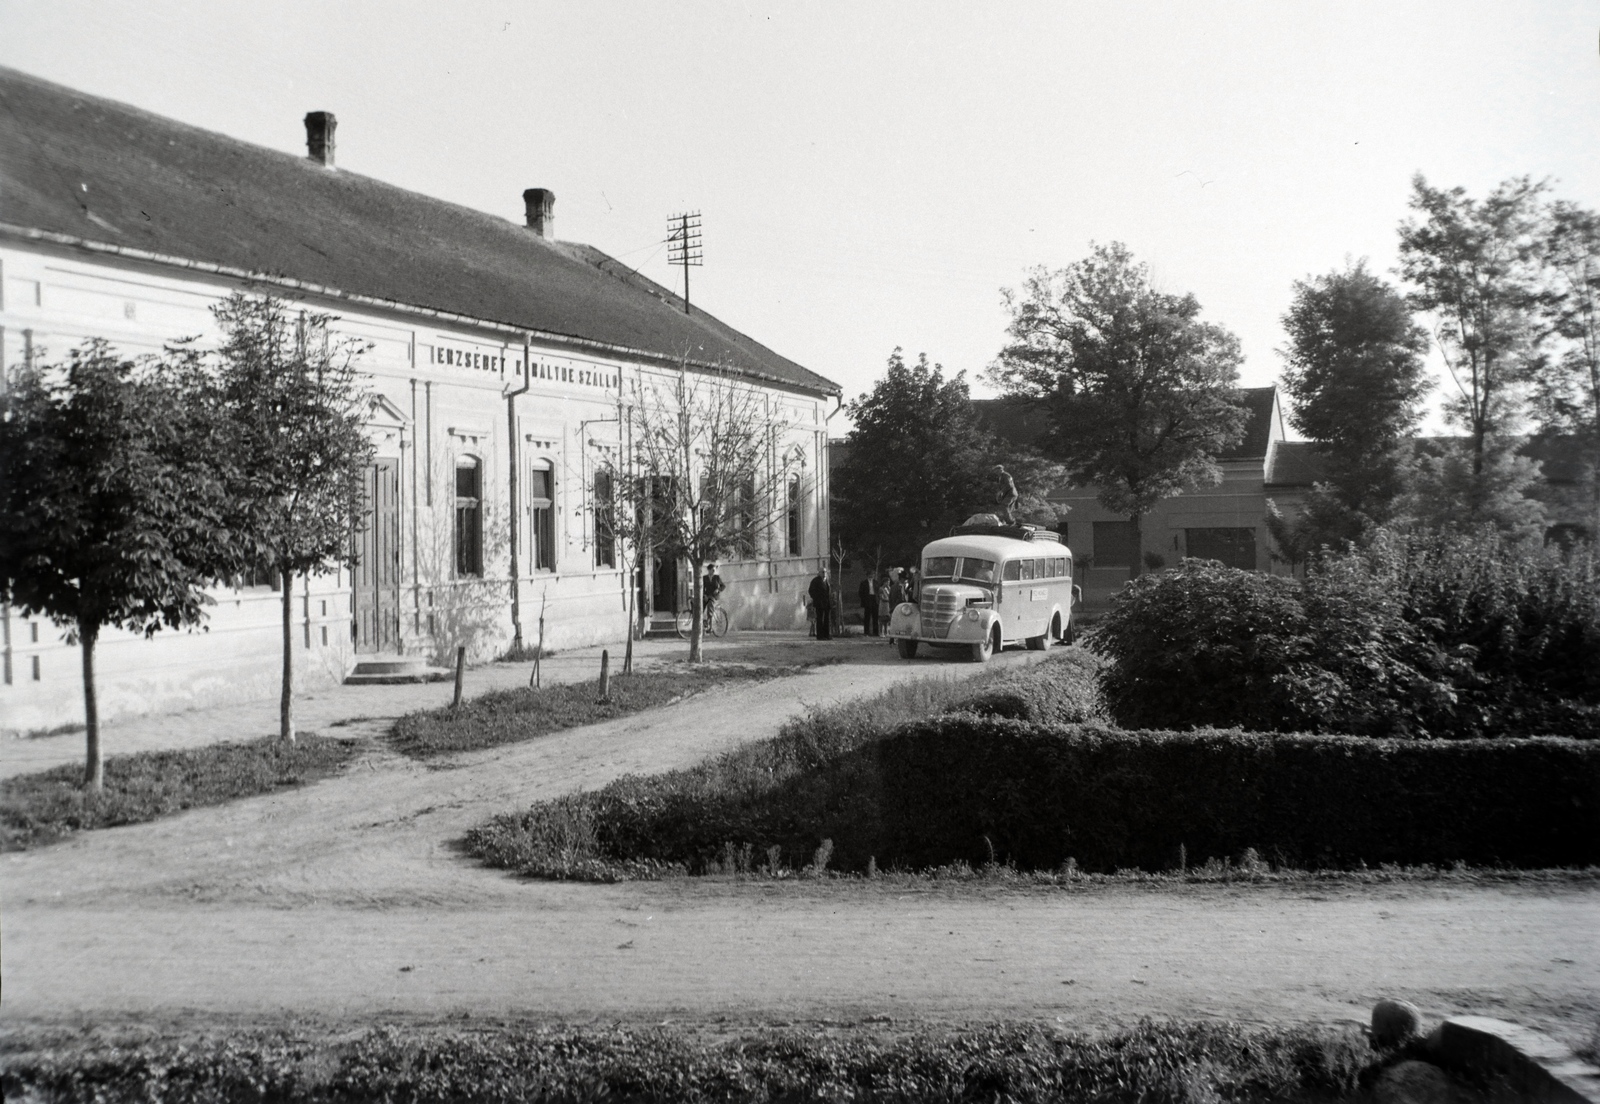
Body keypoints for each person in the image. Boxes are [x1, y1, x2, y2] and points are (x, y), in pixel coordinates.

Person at [808, 565, 833, 640]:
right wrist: (817, 598)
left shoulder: (826, 580)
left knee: (827, 619)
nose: (824, 573)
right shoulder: (815, 581)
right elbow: (811, 591)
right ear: (819, 573)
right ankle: (820, 636)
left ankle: (826, 635)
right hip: (819, 603)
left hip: (826, 602)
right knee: (820, 619)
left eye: (825, 572)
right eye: (822, 572)